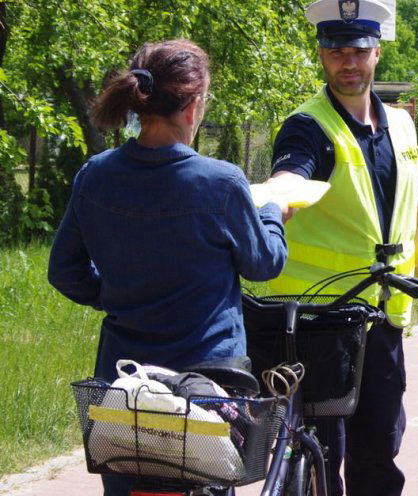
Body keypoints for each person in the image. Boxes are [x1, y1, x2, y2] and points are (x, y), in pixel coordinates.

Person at [47, 39, 290, 496]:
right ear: (194, 104)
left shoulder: (95, 175)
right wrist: (273, 213)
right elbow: (263, 264)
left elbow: (64, 271)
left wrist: (118, 293)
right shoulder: (221, 183)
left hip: (125, 382)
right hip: (208, 382)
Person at [265, 1, 418, 494]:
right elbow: (289, 176)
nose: (347, 61)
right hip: (321, 323)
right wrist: (276, 198)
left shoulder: (403, 126)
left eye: (358, 49)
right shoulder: (308, 127)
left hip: (384, 321)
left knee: (379, 455)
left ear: (377, 53)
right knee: (320, 456)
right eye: (335, 50)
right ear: (322, 56)